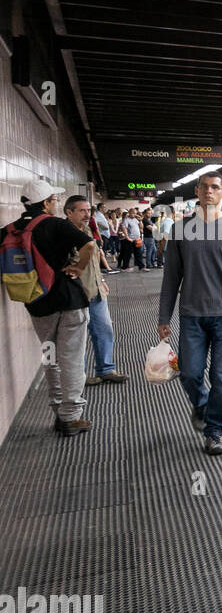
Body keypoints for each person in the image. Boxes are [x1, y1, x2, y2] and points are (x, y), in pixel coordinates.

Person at [157, 170, 222, 456]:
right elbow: (171, 278)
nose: (209, 192)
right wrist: (164, 317)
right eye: (204, 187)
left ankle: (214, 432)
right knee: (189, 373)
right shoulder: (180, 230)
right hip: (191, 316)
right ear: (197, 192)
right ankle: (202, 406)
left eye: (215, 187)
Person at [10, 179, 97, 436]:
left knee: (50, 357)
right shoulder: (55, 224)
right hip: (68, 302)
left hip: (36, 303)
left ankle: (58, 410)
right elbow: (89, 245)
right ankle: (71, 416)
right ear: (46, 203)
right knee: (70, 358)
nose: (55, 203)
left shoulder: (10, 230)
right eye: (54, 200)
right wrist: (78, 267)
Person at [63, 196, 128, 385]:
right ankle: (80, 376)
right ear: (69, 212)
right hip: (77, 295)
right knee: (78, 338)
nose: (87, 215)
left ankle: (106, 369)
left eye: (88, 211)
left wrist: (100, 279)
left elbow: (92, 261)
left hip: (96, 291)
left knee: (104, 330)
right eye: (82, 211)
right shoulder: (63, 235)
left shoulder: (87, 231)